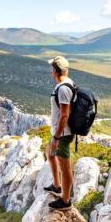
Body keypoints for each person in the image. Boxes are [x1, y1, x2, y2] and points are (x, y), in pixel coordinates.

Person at [44, 55, 75, 210]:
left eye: (52, 68)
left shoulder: (63, 89)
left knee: (65, 166)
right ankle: (57, 185)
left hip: (62, 134)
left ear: (55, 71)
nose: (51, 71)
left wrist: (56, 136)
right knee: (49, 153)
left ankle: (65, 200)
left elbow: (64, 115)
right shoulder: (66, 84)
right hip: (57, 131)